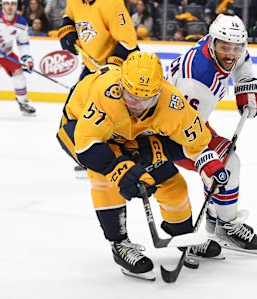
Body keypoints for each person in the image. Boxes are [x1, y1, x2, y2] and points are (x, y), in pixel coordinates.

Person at [56, 52, 228, 280]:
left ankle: (182, 234)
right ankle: (119, 243)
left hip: (132, 135)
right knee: (105, 179)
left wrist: (210, 164)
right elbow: (86, 145)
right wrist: (120, 171)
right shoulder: (106, 94)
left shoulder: (172, 103)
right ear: (121, 85)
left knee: (172, 184)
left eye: (146, 100)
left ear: (160, 91)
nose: (136, 105)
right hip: (82, 130)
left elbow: (197, 142)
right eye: (130, 96)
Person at [165, 14, 257, 254]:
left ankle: (216, 216)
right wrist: (206, 160)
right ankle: (225, 225)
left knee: (224, 163)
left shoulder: (222, 42)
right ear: (212, 42)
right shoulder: (197, 81)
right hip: (168, 133)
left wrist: (245, 85)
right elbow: (183, 130)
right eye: (225, 48)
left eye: (236, 47)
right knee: (227, 164)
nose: (231, 53)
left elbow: (242, 59)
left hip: (191, 121)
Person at [58, 0, 140, 177]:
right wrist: (67, 30)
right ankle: (88, 157)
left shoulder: (112, 3)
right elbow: (69, 16)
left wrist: (111, 68)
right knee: (74, 114)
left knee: (115, 117)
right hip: (92, 67)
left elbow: (129, 43)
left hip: (119, 66)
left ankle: (122, 158)